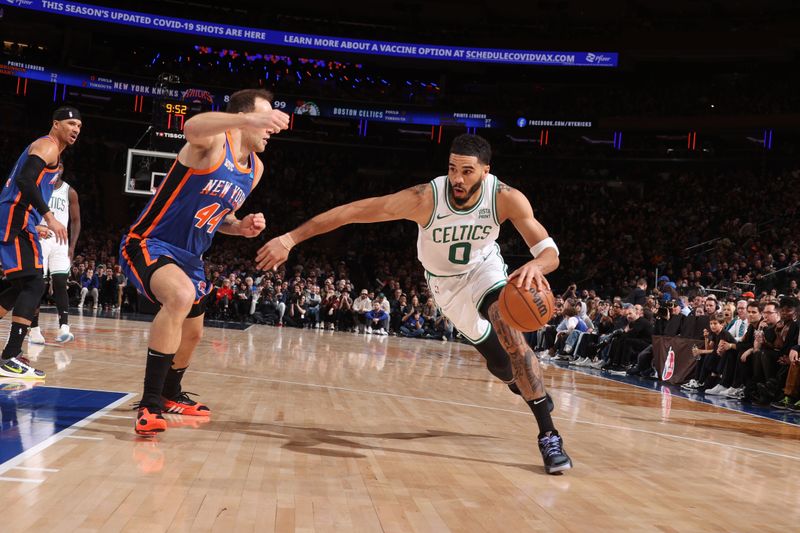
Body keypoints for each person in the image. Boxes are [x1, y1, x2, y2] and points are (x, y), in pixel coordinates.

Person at [256, 134, 571, 474]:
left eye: (467, 171)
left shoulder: (506, 198)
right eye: (452, 169)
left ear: (485, 171)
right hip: (445, 285)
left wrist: (536, 265)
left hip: (485, 271)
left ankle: (548, 434)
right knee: (500, 363)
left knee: (510, 334)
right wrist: (289, 239)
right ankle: (516, 382)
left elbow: (549, 252)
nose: (457, 179)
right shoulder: (425, 198)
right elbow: (352, 212)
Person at [120, 89, 289, 435]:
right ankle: (150, 405)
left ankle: (169, 394)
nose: (272, 126)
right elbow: (191, 127)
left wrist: (240, 228)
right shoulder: (213, 143)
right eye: (266, 117)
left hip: (191, 258)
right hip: (151, 241)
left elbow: (218, 217)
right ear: (245, 116)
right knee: (180, 297)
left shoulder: (255, 168)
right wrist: (246, 120)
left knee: (193, 334)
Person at [0, 107, 76, 379]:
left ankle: (10, 354)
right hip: (15, 218)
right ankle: (9, 357)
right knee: (33, 283)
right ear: (55, 124)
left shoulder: (50, 149)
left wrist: (37, 223)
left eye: (79, 125)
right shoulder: (47, 145)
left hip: (20, 218)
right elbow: (24, 180)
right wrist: (49, 217)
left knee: (19, 285)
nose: (75, 129)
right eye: (70, 123)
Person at [28, 168, 80, 344]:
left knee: (60, 282)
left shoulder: (70, 192)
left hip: (61, 241)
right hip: (41, 238)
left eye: (59, 167)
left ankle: (64, 327)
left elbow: (75, 220)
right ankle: (34, 329)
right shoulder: (39, 189)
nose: (56, 170)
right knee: (38, 284)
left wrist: (72, 246)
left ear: (63, 169)